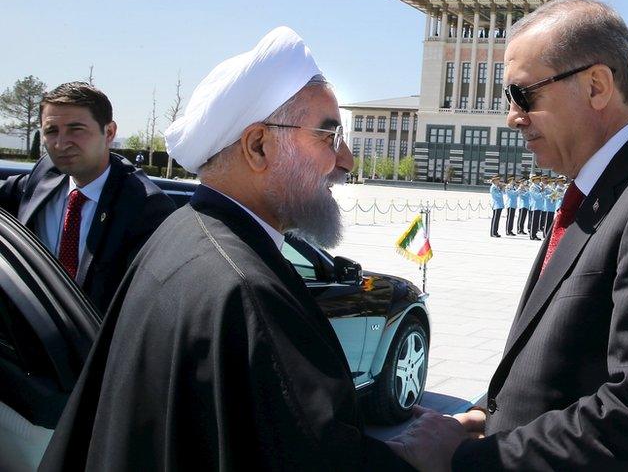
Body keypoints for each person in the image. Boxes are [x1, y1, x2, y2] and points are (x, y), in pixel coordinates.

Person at [389, 0, 628, 471]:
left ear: (597, 86)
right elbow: (560, 354)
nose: (513, 117)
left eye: (523, 95)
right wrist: (485, 413)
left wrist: (468, 460)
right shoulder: (603, 189)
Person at [39, 27, 408, 471]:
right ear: (258, 146)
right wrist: (420, 454)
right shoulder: (245, 289)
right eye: (328, 137)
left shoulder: (184, 232)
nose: (345, 159)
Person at [0, 82, 175, 314]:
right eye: (51, 131)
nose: (61, 144)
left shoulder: (145, 207)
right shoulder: (44, 174)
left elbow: (146, 307)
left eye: (76, 129)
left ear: (109, 132)